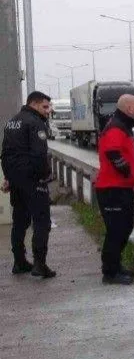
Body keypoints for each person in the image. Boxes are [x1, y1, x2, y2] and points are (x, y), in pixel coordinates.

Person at [1, 91, 56, 278]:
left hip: (16, 181)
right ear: (34, 104)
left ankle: (19, 261)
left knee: (19, 222)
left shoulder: (12, 122)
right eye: (45, 107)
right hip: (33, 180)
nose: (48, 111)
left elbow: (6, 154)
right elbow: (40, 155)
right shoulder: (35, 123)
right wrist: (45, 175)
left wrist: (9, 177)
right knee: (42, 221)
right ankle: (40, 264)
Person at [94, 94, 134, 285]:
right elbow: (112, 151)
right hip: (112, 189)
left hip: (121, 187)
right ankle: (110, 272)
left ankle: (116, 266)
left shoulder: (122, 126)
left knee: (124, 228)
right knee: (116, 230)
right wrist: (125, 170)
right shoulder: (116, 126)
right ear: (129, 108)